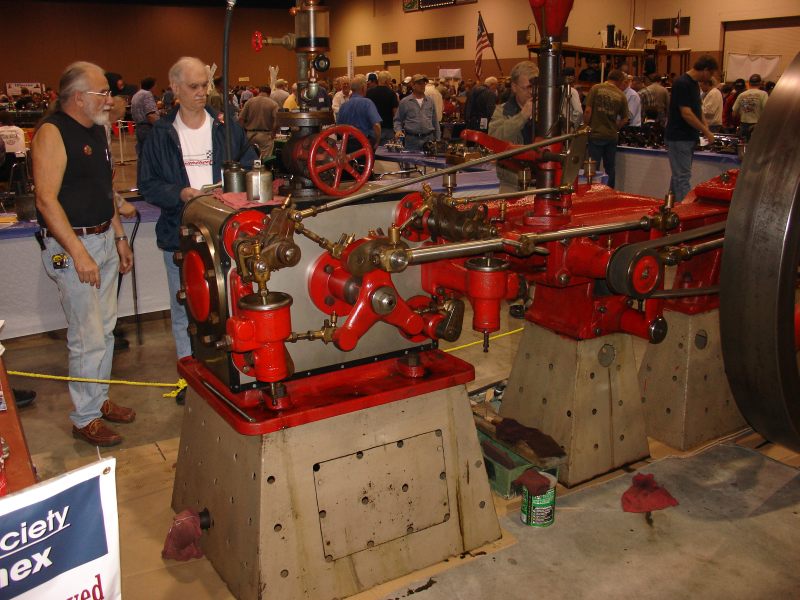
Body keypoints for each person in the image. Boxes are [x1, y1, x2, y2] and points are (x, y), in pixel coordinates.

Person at [32, 61, 135, 446]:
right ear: (78, 97)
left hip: (104, 239)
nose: (109, 99)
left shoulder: (96, 130)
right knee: (87, 335)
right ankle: (85, 417)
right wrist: (78, 253)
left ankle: (97, 399)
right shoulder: (52, 133)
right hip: (74, 246)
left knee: (104, 331)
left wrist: (120, 238)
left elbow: (105, 191)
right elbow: (45, 200)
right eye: (102, 92)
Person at [139, 57, 256, 368]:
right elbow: (148, 185)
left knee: (233, 304)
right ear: (175, 88)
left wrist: (235, 190)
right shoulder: (161, 134)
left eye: (205, 85)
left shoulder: (226, 128)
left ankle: (233, 369)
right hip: (180, 235)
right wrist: (181, 193)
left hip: (227, 233)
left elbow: (249, 165)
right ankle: (189, 372)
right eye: (194, 86)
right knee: (186, 308)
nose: (202, 92)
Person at [664, 55, 718, 202]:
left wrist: (705, 126)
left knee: (678, 176)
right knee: (682, 177)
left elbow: (698, 108)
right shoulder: (682, 83)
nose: (710, 78)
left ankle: (671, 206)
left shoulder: (694, 84)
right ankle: (686, 210)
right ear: (705, 70)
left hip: (687, 137)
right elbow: (686, 113)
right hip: (679, 137)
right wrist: (706, 131)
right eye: (711, 74)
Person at [487, 61, 539, 191]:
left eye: (535, 87)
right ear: (514, 87)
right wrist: (522, 116)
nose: (532, 92)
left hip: (543, 184)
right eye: (527, 87)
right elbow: (494, 140)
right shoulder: (502, 111)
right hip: (512, 186)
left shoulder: (548, 112)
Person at [583, 69, 629, 188]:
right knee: (610, 167)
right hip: (611, 136)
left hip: (596, 134)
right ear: (619, 81)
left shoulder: (596, 88)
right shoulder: (621, 95)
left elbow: (588, 111)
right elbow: (625, 119)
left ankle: (592, 190)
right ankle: (609, 190)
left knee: (593, 167)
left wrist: (585, 126)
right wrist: (616, 126)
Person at [393, 74, 440, 152]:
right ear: (413, 85)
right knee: (411, 159)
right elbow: (397, 120)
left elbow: (435, 121)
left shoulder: (430, 101)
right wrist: (398, 130)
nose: (423, 86)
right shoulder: (405, 102)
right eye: (420, 83)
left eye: (424, 83)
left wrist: (438, 139)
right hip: (411, 141)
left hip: (429, 139)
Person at [336, 76, 381, 152]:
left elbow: (338, 129)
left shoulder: (343, 106)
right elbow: (376, 125)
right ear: (363, 88)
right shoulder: (367, 103)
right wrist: (377, 141)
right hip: (365, 145)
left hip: (348, 146)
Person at [239, 85, 279, 158]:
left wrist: (242, 134)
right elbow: (276, 121)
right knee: (264, 160)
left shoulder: (249, 102)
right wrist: (273, 133)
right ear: (269, 93)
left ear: (259, 92)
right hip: (265, 135)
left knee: (250, 158)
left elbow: (241, 119)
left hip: (250, 134)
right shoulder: (273, 104)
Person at [366, 71, 399, 146]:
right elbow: (395, 113)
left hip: (373, 128)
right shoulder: (392, 93)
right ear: (386, 81)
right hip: (388, 128)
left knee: (372, 151)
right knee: (385, 152)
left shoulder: (369, 92)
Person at [732, 74, 768, 142]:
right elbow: (767, 111)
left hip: (743, 125)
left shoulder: (742, 95)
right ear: (760, 83)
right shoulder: (763, 94)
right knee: (755, 146)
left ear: (749, 83)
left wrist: (743, 115)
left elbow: (734, 113)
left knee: (743, 145)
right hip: (757, 125)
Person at [130, 76, 160, 156]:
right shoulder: (147, 94)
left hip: (139, 128)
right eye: (155, 85)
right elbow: (150, 114)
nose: (156, 87)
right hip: (148, 128)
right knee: (152, 155)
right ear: (152, 86)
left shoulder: (136, 94)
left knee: (142, 155)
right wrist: (160, 126)